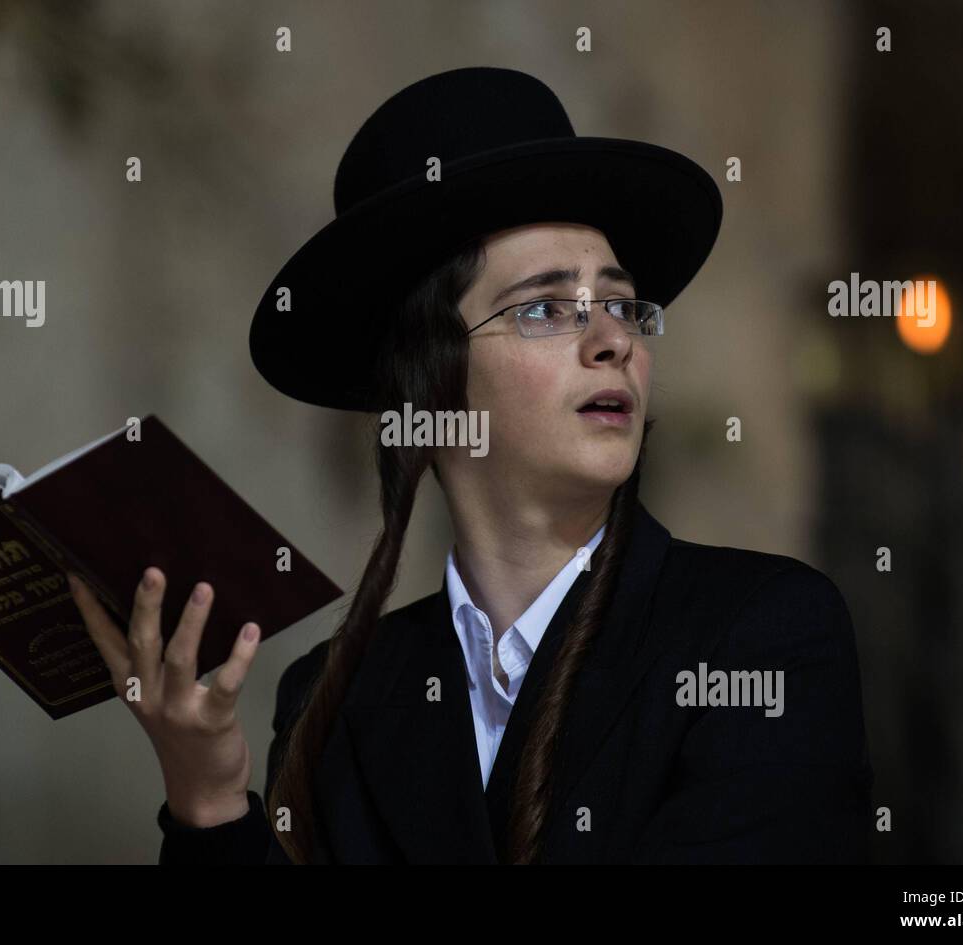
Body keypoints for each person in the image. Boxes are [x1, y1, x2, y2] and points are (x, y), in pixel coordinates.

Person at [68, 67, 874, 864]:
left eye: (623, 304)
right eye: (544, 309)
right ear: (429, 381)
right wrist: (207, 797)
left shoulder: (761, 637)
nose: (614, 340)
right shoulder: (335, 700)